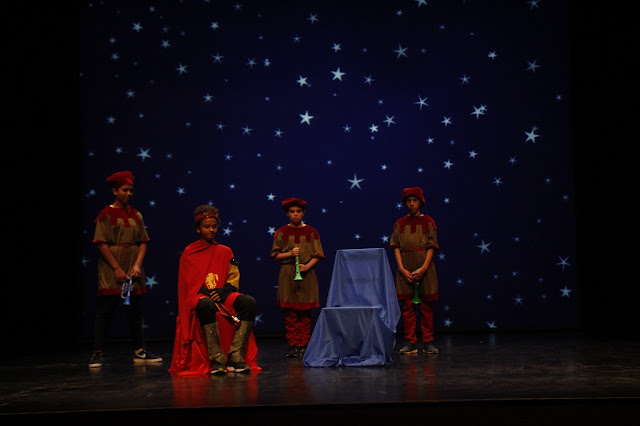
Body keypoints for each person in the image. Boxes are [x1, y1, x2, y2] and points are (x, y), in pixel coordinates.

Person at [169, 205, 260, 375]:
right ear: (198, 229)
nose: (211, 230)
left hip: (221, 294)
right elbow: (188, 284)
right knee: (205, 305)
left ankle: (236, 354)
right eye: (207, 226)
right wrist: (207, 293)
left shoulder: (225, 251)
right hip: (199, 295)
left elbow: (233, 278)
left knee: (248, 302)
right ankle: (216, 357)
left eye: (214, 226)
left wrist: (223, 291)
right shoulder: (189, 252)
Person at [89, 170, 162, 367]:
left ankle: (140, 350)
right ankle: (97, 352)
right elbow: (101, 243)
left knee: (134, 310)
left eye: (131, 190)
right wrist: (116, 268)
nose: (128, 193)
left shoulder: (136, 214)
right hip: (113, 269)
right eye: (124, 190)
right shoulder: (105, 214)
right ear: (115, 191)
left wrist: (137, 265)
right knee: (106, 310)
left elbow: (143, 241)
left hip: (132, 269)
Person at [270, 197, 325, 358]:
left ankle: (304, 343)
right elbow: (275, 255)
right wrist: (289, 254)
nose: (295, 214)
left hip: (306, 273)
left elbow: (318, 254)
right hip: (288, 273)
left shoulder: (312, 232)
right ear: (287, 214)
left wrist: (307, 266)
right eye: (292, 211)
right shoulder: (281, 232)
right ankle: (293, 344)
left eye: (298, 211)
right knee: (291, 311)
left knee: (305, 311)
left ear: (303, 213)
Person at [390, 187, 440, 355]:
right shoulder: (399, 223)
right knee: (408, 307)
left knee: (426, 306)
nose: (411, 204)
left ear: (420, 202)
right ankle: (410, 342)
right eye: (408, 201)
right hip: (405, 268)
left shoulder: (428, 221)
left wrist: (424, 267)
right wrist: (401, 268)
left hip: (425, 268)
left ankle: (428, 341)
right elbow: (396, 247)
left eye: (415, 200)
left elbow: (432, 246)